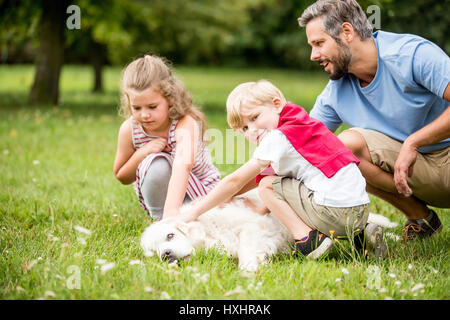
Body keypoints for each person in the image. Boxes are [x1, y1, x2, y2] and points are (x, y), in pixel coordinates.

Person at [178, 80, 386, 259]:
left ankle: (308, 240)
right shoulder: (302, 124)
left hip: (334, 213)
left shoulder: (278, 137)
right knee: (288, 183)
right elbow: (267, 176)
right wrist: (255, 207)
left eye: (254, 117)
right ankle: (361, 234)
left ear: (276, 104)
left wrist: (196, 210)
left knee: (268, 186)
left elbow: (240, 179)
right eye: (244, 128)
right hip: (360, 210)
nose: (252, 129)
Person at [298, 0, 450, 241]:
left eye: (319, 43)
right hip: (416, 174)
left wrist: (414, 142)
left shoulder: (411, 54)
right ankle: (421, 219)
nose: (313, 55)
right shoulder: (336, 90)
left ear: (347, 32)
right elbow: (300, 145)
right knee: (341, 147)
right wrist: (246, 190)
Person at [113, 54, 220, 220]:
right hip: (162, 200)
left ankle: (176, 218)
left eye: (152, 106)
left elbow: (182, 166)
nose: (144, 114)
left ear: (170, 99)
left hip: (203, 194)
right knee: (157, 163)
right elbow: (122, 176)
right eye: (137, 107)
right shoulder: (130, 129)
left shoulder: (184, 122)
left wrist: (172, 213)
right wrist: (144, 152)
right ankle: (161, 220)